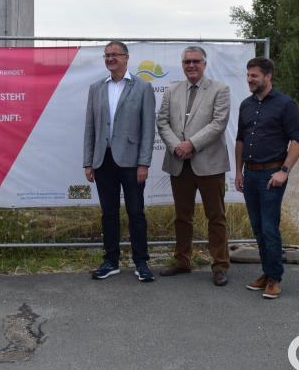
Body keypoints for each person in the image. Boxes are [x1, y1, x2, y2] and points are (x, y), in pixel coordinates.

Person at [156, 46, 231, 286]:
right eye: (187, 61)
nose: (191, 65)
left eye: (196, 61)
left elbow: (218, 123)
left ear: (204, 64)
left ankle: (220, 265)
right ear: (182, 64)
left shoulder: (220, 89)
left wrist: (191, 144)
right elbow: (162, 122)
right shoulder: (171, 91)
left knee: (216, 217)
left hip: (210, 164)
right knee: (182, 216)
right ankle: (182, 261)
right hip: (179, 163)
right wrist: (177, 146)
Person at [83, 41, 156, 282]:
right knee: (109, 213)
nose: (110, 58)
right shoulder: (96, 88)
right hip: (103, 161)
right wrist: (88, 161)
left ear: (126, 58)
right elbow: (90, 127)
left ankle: (141, 262)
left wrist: (144, 162)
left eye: (115, 54)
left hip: (132, 162)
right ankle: (111, 261)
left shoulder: (143, 87)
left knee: (136, 212)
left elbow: (148, 128)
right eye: (107, 55)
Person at [235, 57, 299, 299]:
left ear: (268, 76)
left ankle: (275, 278)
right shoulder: (245, 104)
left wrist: (284, 171)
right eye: (248, 75)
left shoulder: (285, 104)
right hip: (250, 173)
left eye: (254, 75)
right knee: (257, 228)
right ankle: (266, 271)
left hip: (271, 174)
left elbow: (297, 140)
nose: (249, 79)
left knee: (269, 227)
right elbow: (240, 140)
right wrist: (238, 172)